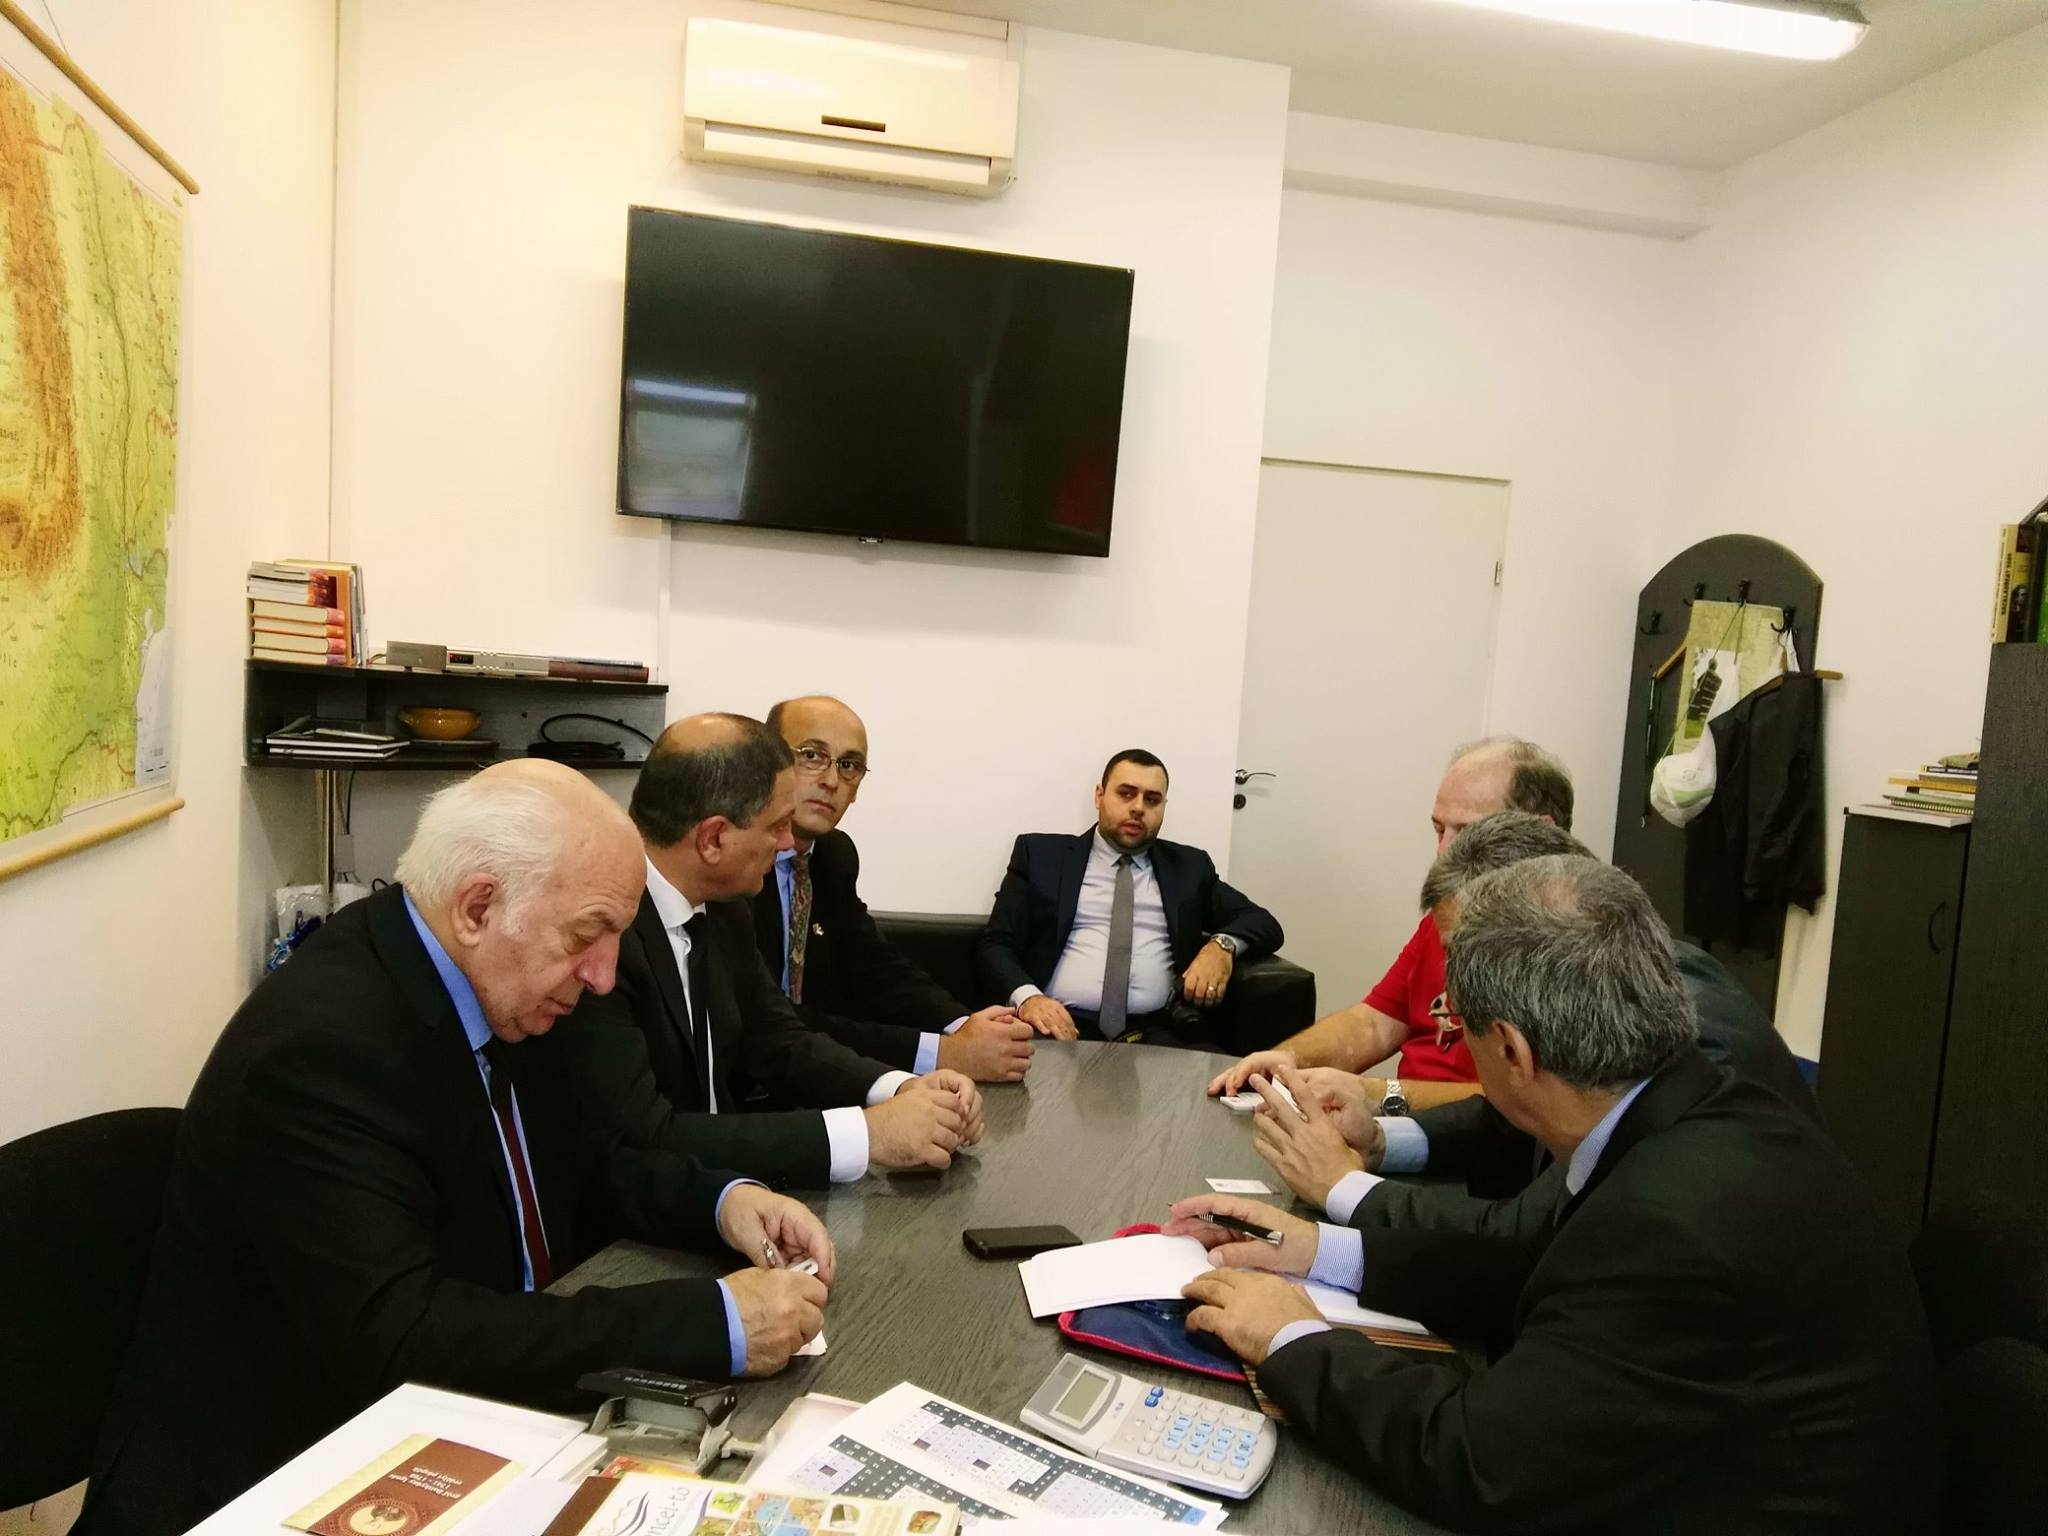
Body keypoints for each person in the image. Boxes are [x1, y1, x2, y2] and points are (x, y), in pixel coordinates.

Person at [76, 763, 835, 1536]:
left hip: (470, 1424)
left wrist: (722, 1201)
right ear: (477, 907)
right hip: (283, 1473)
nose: (604, 976)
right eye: (587, 936)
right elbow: (406, 1334)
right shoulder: (323, 1048)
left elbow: (592, 1155)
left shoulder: (501, 979)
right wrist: (713, 1321)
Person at [1166, 856, 1937, 1532]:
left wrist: (1290, 1337)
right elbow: (1534, 1258)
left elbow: (1474, 1462)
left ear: (1511, 1050)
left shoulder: (1672, 1221)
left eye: (1461, 1030)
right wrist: (1317, 1250)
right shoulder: (1691, 1101)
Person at [1249, 811, 1822, 1221]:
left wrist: (1348, 1182)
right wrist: (1379, 1141)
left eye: (1466, 953)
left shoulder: (1677, 1047)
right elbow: (1510, 1129)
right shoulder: (1606, 980)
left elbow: (1535, 1240)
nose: (1456, 990)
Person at [616, 714, 985, 1187]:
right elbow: (647, 1137)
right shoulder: (604, 936)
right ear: (713, 838)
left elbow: (779, 1039)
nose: (789, 842)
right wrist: (868, 1135)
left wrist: (901, 1088)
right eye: (776, 826)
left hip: (727, 1190)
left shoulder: (725, 908)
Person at [1208, 736, 1572, 1106]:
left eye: (1467, 832)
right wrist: (1289, 1061)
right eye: (1439, 830)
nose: (1444, 853)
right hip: (1404, 1120)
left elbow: (1533, 1106)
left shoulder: (1573, 944)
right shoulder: (1448, 916)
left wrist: (1377, 1094)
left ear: (1540, 833)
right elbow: (1374, 1023)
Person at [752, 695, 1033, 1083]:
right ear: (768, 762)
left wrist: (965, 1026)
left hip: (815, 1072)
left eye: (848, 765)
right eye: (812, 756)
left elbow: (876, 966)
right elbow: (768, 1019)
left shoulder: (834, 854)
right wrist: (942, 1054)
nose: (831, 781)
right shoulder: (738, 863)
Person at [976, 748, 1283, 1048]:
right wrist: (1029, 999)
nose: (1138, 808)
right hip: (1058, 1024)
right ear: (1099, 796)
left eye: (1152, 799)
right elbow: (997, 942)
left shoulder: (1189, 868)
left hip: (1158, 1030)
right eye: (1126, 794)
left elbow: (1262, 922)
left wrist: (1221, 947)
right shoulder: (1041, 856)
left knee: (1224, 1078)